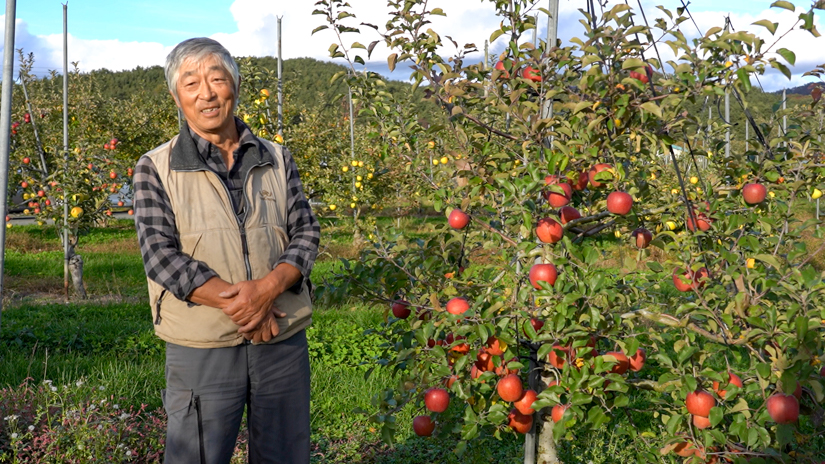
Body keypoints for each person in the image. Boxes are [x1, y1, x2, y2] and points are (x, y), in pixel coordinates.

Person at [133, 37, 320, 464]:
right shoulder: (156, 166)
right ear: (176, 96)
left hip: (280, 335)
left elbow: (306, 231)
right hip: (203, 343)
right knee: (195, 455)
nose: (207, 93)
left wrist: (268, 289)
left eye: (217, 78)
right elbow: (160, 255)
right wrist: (244, 304)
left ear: (234, 85)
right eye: (192, 82)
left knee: (285, 454)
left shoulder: (276, 156)